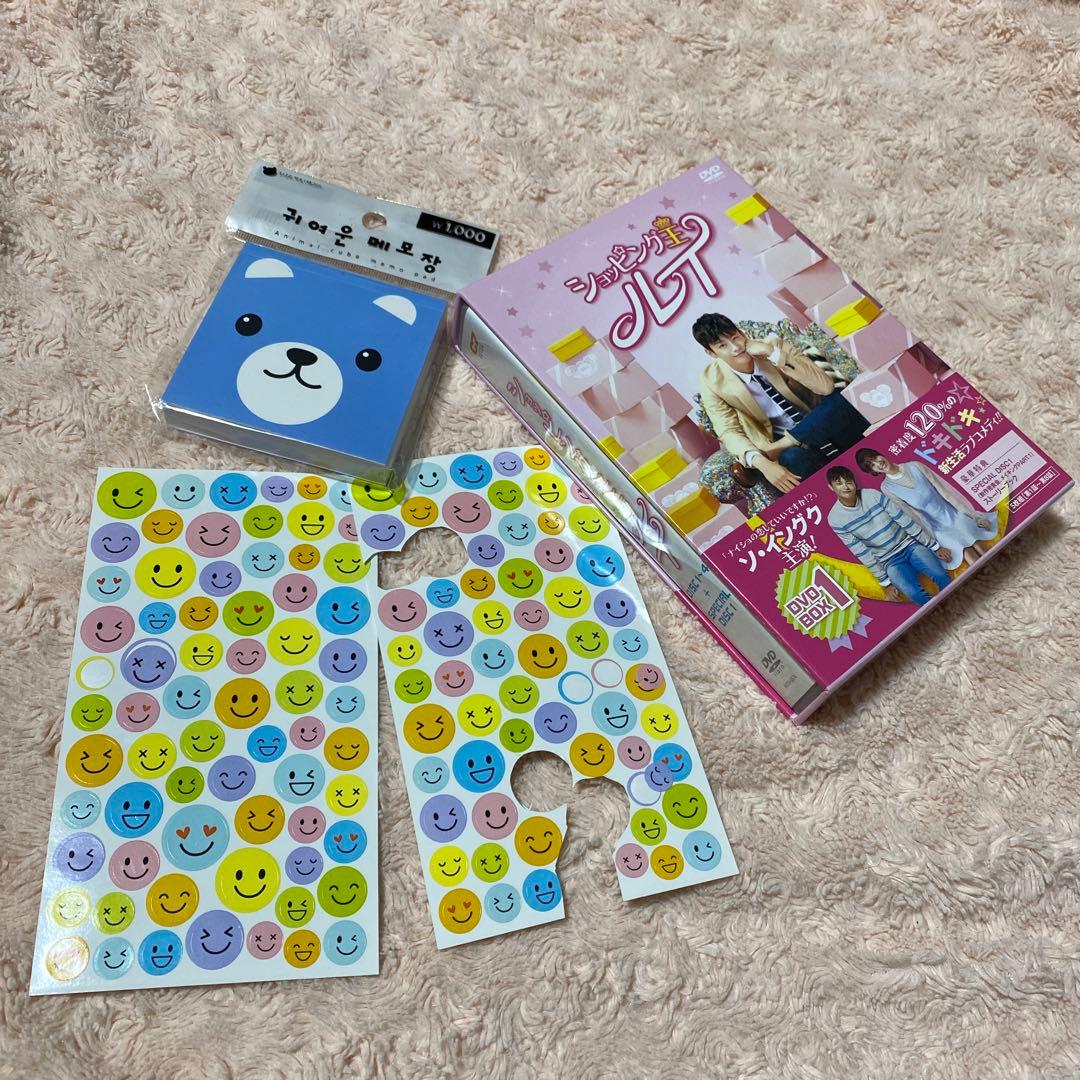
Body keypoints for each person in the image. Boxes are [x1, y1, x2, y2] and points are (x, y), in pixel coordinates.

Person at [693, 313, 869, 496]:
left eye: (735, 337)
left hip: (819, 421)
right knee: (791, 458)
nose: (735, 347)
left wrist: (774, 354)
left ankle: (788, 442)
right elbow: (727, 430)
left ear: (742, 333)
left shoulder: (773, 345)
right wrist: (761, 462)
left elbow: (825, 387)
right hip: (788, 446)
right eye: (722, 346)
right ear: (711, 353)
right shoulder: (711, 381)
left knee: (841, 398)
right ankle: (825, 498)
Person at [825, 466, 953, 606]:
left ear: (854, 483)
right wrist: (885, 582)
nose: (845, 487)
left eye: (848, 482)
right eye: (839, 483)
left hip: (910, 546)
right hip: (889, 561)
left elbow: (904, 520)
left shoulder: (872, 495)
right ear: (831, 487)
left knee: (940, 575)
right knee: (914, 593)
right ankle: (943, 611)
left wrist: (934, 546)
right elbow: (861, 552)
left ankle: (956, 603)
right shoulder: (835, 519)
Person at [854, 448, 997, 570]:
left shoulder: (915, 466)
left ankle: (998, 569)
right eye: (871, 465)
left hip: (955, 513)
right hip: (936, 528)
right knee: (963, 550)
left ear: (881, 454)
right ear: (873, 471)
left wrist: (973, 515)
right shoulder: (887, 488)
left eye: (875, 458)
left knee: (972, 538)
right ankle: (992, 578)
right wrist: (934, 545)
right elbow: (912, 517)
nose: (877, 464)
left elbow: (947, 493)